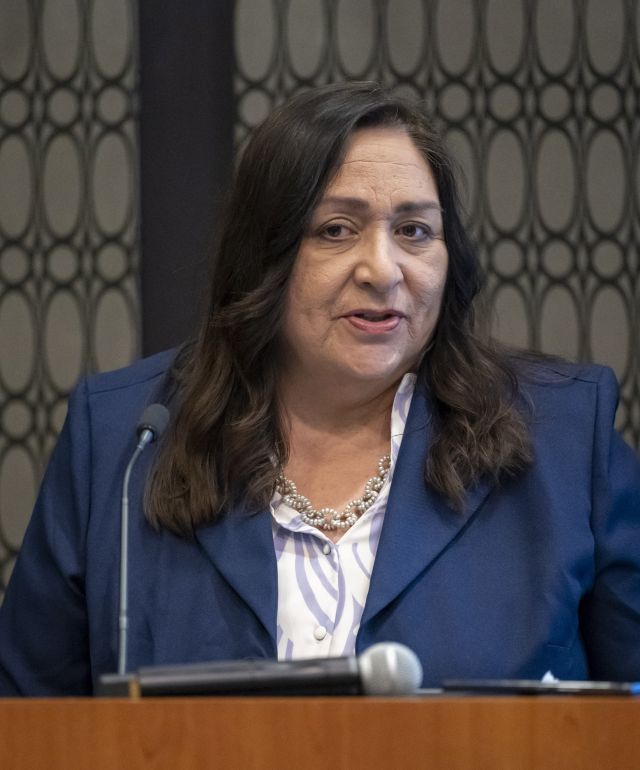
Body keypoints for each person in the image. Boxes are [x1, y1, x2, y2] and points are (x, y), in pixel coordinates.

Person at [0, 82, 639, 695]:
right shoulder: (126, 438)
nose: (383, 269)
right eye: (336, 229)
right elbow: (24, 724)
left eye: (414, 231)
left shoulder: (562, 436)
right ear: (265, 255)